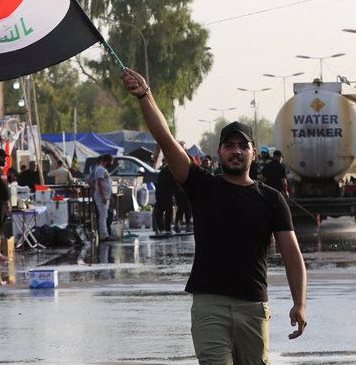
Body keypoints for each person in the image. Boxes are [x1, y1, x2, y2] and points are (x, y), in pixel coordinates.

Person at [122, 68, 307, 363]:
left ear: (254, 153)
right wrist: (146, 95)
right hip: (209, 306)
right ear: (219, 152)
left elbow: (292, 255)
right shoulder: (202, 185)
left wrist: (300, 303)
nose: (236, 151)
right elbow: (166, 139)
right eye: (229, 146)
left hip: (253, 307)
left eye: (242, 146)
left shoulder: (271, 199)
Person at [94, 154, 113, 241]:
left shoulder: (103, 170)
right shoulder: (100, 169)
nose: (111, 163)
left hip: (106, 196)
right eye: (111, 161)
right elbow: (99, 183)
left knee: (104, 215)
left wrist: (109, 195)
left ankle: (105, 234)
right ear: (107, 161)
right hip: (101, 196)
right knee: (103, 215)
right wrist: (103, 196)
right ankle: (104, 235)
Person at [153, 160, 176, 234]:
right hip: (166, 195)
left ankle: (159, 228)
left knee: (159, 213)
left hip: (161, 194)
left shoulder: (163, 171)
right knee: (168, 213)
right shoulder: (171, 172)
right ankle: (167, 229)